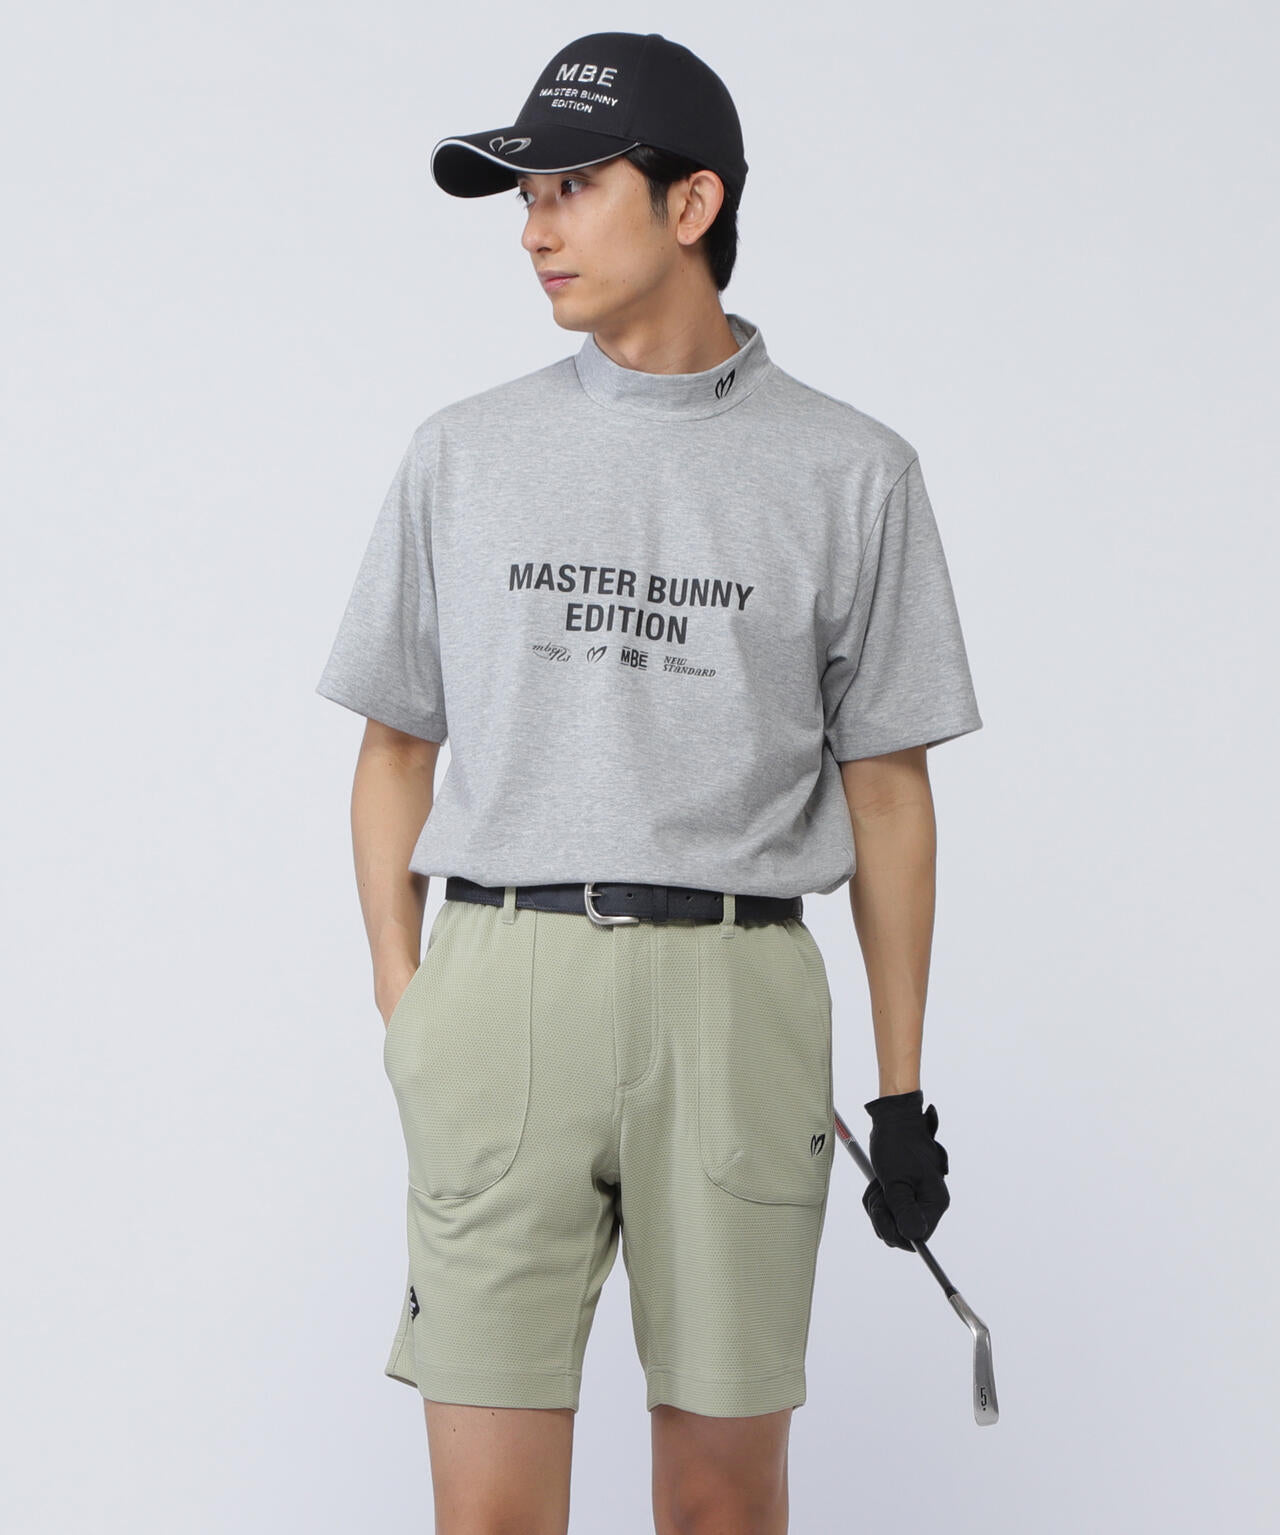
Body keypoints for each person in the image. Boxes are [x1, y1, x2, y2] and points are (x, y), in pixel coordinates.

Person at [314, 29, 982, 1535]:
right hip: (501, 992)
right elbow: (395, 748)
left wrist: (901, 1093)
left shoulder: (852, 471)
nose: (534, 229)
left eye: (574, 186)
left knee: (723, 1505)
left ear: (693, 204)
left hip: (735, 1002)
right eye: (525, 195)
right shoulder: (464, 454)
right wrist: (407, 1000)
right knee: (489, 1513)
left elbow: (889, 793)